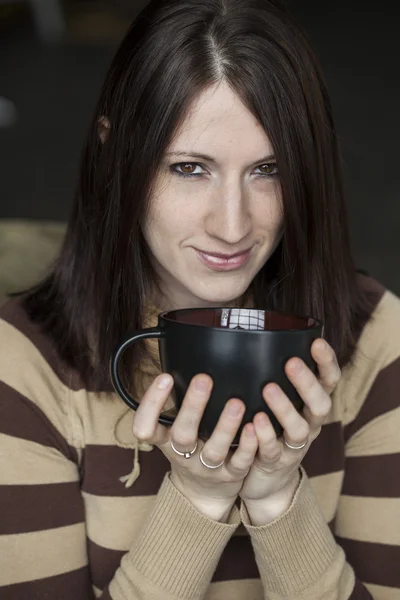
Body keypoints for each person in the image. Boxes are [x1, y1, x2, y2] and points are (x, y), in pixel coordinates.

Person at [0, 0, 399, 598]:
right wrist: (198, 498)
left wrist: (276, 498)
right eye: (190, 168)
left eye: (268, 169)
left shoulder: (377, 339)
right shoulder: (20, 365)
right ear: (116, 156)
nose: (234, 226)